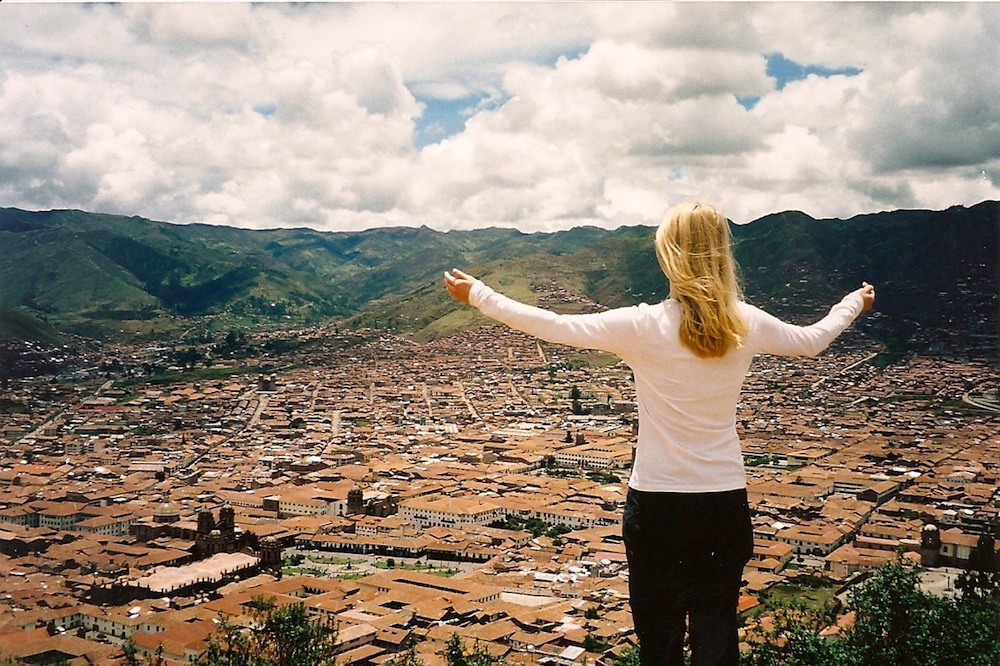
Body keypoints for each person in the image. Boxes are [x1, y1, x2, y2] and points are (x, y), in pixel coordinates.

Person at [443, 201, 875, 666]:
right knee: (716, 635)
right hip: (722, 500)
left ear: (668, 256)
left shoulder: (643, 325)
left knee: (659, 639)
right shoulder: (745, 322)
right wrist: (855, 302)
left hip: (656, 505)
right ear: (721, 255)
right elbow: (812, 340)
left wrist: (480, 295)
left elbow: (555, 327)